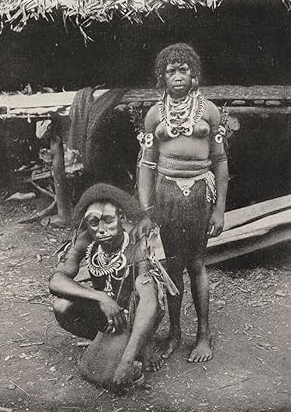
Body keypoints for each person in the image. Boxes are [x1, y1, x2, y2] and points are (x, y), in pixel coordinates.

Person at [133, 43, 229, 363]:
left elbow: (220, 161)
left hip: (200, 193)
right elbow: (146, 164)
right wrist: (145, 210)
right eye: (171, 71)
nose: (177, 76)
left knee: (197, 265)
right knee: (171, 267)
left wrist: (219, 209)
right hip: (165, 194)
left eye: (183, 70)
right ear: (162, 77)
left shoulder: (211, 111)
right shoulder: (153, 115)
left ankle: (203, 334)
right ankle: (175, 332)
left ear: (194, 75)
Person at [49, 183, 175, 387]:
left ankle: (140, 343)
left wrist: (126, 361)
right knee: (61, 306)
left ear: (122, 218)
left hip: (137, 316)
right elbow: (56, 280)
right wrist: (101, 297)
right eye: (94, 223)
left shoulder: (138, 242)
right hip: (108, 312)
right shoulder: (85, 240)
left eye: (108, 221)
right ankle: (109, 341)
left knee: (115, 378)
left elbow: (150, 300)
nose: (101, 230)